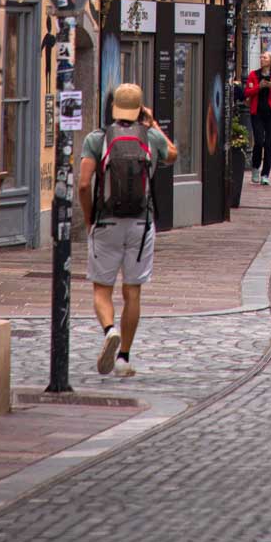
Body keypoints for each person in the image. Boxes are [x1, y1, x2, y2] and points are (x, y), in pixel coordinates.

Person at [78, 82, 176, 378]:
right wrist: (154, 123)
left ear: (113, 108)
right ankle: (123, 358)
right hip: (140, 224)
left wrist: (89, 219)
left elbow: (83, 184)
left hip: (106, 223)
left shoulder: (97, 139)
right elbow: (172, 154)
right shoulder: (152, 138)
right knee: (133, 292)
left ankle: (109, 330)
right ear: (139, 109)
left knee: (101, 289)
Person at [244, 52, 271, 185]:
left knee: (268, 144)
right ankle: (256, 168)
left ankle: (265, 174)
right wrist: (259, 86)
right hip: (257, 113)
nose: (262, 59)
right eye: (261, 57)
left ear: (270, 61)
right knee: (258, 141)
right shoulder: (253, 74)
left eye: (265, 57)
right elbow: (247, 92)